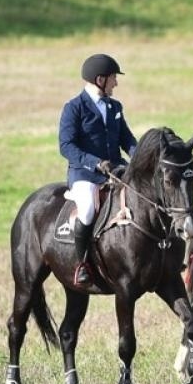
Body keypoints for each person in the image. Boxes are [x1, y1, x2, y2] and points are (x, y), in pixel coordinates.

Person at [58, 53, 137, 288]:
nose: (116, 83)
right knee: (88, 210)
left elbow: (127, 139)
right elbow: (66, 146)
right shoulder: (74, 108)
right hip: (85, 174)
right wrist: (95, 162)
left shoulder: (115, 106)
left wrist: (141, 157)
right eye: (113, 78)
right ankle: (82, 264)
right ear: (100, 79)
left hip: (116, 169)